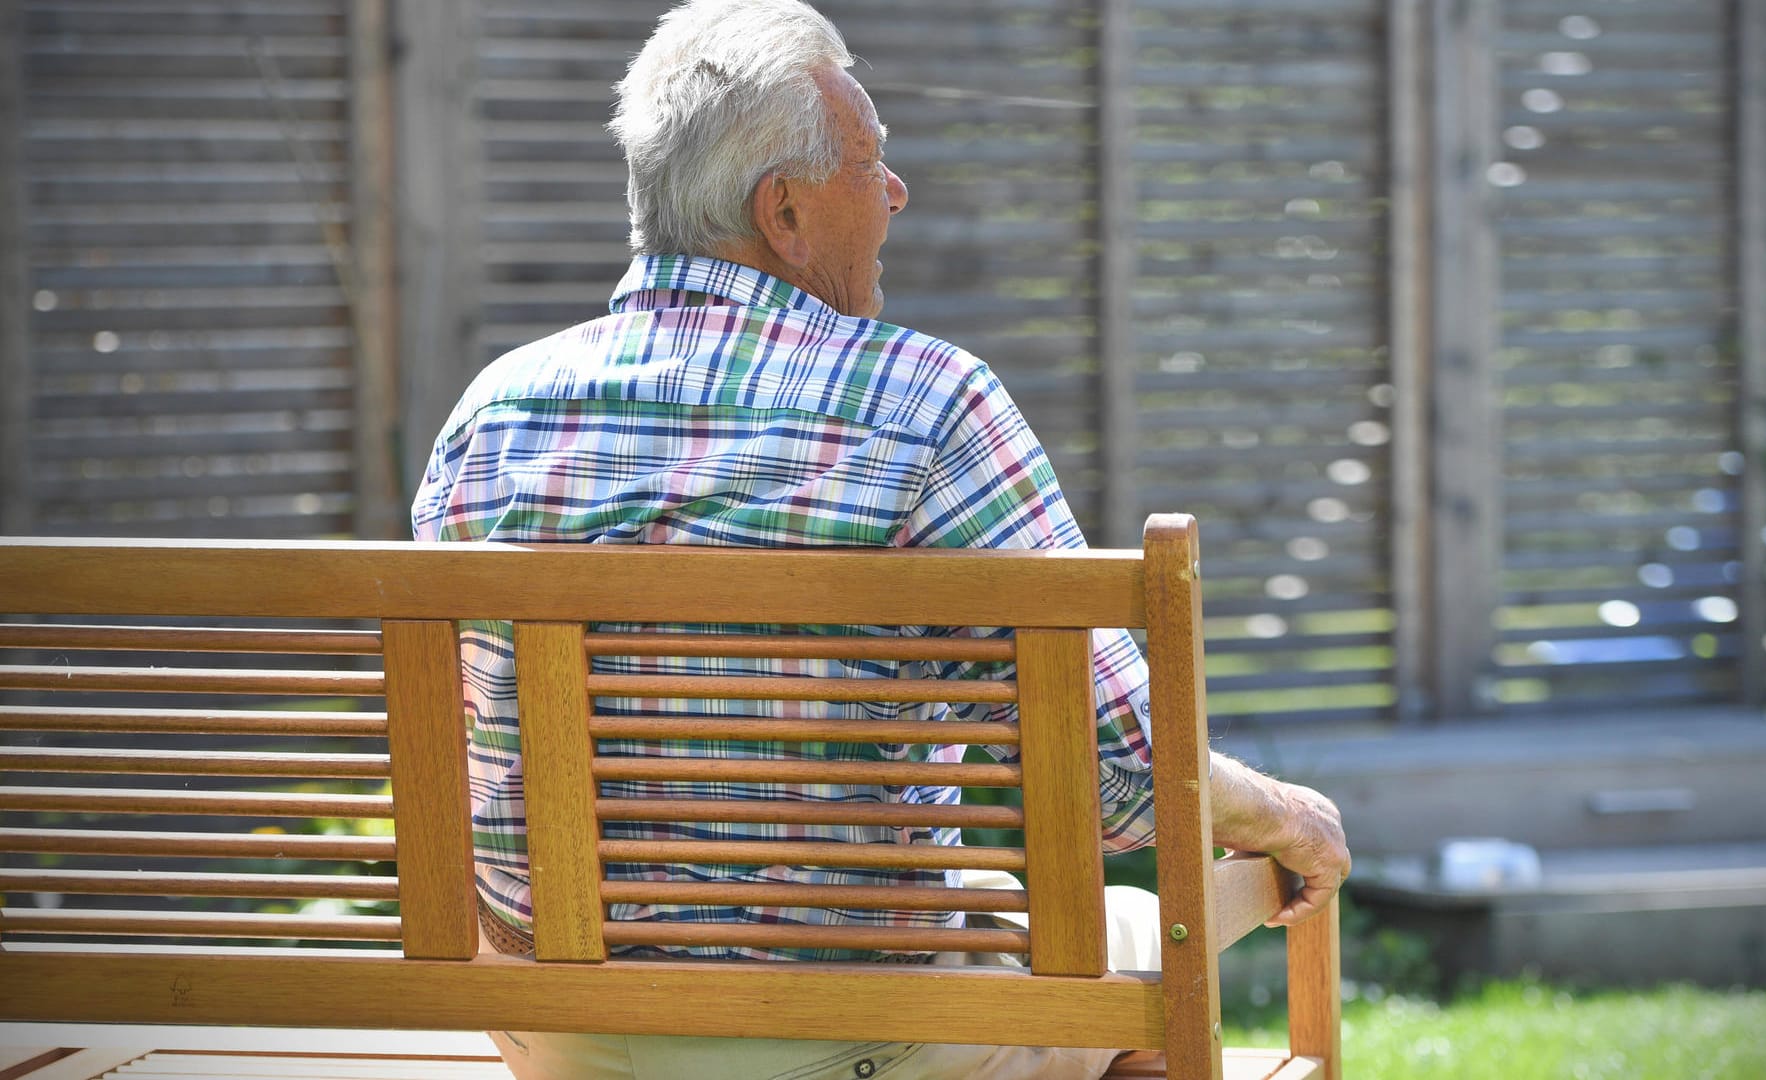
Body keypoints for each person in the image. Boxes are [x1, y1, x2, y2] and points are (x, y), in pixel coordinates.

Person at [410, 2, 1349, 1076]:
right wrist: (1287, 815)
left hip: (551, 1029)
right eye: (870, 163)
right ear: (786, 212)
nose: (897, 191)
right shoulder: (925, 402)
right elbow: (1128, 783)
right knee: (1137, 977)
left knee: (1015, 922)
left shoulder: (493, 413)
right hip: (837, 1032)